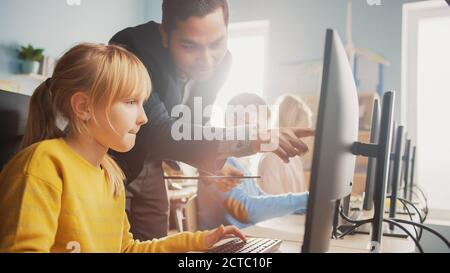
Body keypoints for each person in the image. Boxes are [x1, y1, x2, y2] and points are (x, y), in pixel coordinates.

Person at [0, 43, 245, 253]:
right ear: (84, 107)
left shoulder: (110, 174)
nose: (143, 118)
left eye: (142, 103)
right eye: (130, 102)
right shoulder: (43, 165)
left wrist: (200, 241)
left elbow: (126, 249)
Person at [109, 0, 314, 240]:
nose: (207, 60)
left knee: (154, 240)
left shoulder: (222, 63)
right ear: (165, 36)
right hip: (114, 159)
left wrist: (211, 165)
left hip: (152, 163)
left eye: (217, 44)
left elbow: (195, 124)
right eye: (189, 46)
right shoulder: (134, 46)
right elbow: (156, 130)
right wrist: (252, 138)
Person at [197, 93, 309, 229]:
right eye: (255, 129)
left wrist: (306, 205)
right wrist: (305, 199)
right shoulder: (217, 163)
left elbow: (260, 197)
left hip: (246, 238)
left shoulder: (242, 164)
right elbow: (245, 209)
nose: (262, 138)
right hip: (220, 246)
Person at [258, 95, 314, 195]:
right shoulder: (270, 159)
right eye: (301, 135)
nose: (305, 141)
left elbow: (302, 198)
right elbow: (274, 206)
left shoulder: (296, 160)